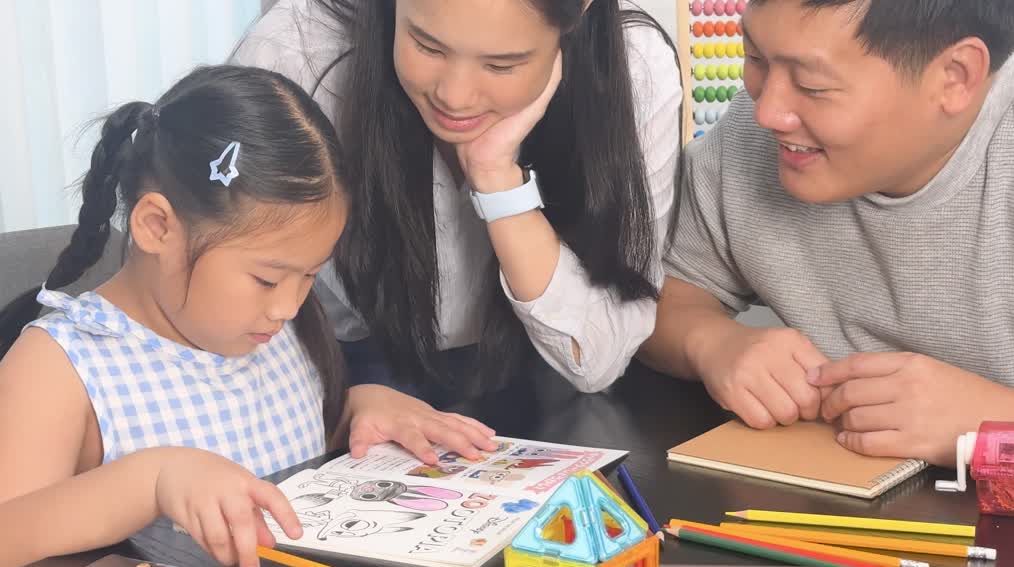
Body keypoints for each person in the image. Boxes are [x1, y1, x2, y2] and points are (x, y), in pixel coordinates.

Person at [0, 65, 496, 567]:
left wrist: (360, 407)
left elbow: (275, 448)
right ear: (157, 226)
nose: (288, 305)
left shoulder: (272, 329)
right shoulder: (62, 365)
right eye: (266, 279)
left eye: (308, 275)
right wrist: (154, 481)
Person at [640, 0, 1014, 473]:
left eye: (811, 86)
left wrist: (1000, 419)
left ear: (955, 76)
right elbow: (652, 299)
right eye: (755, 58)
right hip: (831, 526)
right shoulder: (757, 138)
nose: (768, 110)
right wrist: (712, 343)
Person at [233, 0, 682, 402]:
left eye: (502, 65)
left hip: (548, 397)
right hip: (341, 387)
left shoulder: (635, 66)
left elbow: (598, 359)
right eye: (427, 46)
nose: (455, 97)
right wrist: (341, 411)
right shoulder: (297, 50)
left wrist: (498, 181)